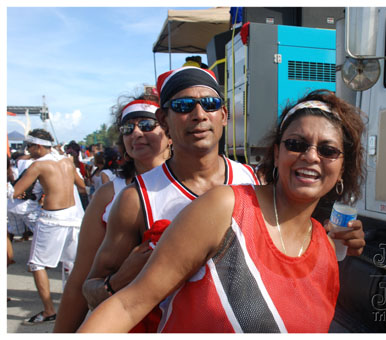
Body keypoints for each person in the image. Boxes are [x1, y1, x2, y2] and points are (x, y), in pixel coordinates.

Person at [78, 89, 365, 333]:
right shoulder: (225, 208)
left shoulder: (327, 252)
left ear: (342, 168)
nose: (311, 156)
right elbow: (128, 306)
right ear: (276, 153)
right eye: (296, 144)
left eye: (328, 151)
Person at [81, 66, 264, 332]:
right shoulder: (136, 199)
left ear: (223, 115)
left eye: (210, 104)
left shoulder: (253, 181)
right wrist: (121, 278)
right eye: (183, 106)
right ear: (164, 120)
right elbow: (91, 288)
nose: (199, 115)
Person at [53, 96, 172, 333]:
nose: (136, 133)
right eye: (128, 128)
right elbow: (80, 278)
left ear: (170, 133)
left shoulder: (199, 185)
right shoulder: (110, 194)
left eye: (147, 125)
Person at [8, 129, 86, 325]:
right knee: (71, 263)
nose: (28, 151)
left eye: (30, 147)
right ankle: (74, 309)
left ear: (39, 146)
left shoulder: (38, 165)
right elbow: (82, 185)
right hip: (73, 217)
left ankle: (49, 310)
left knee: (36, 264)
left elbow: (16, 192)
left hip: (52, 218)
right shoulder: (68, 161)